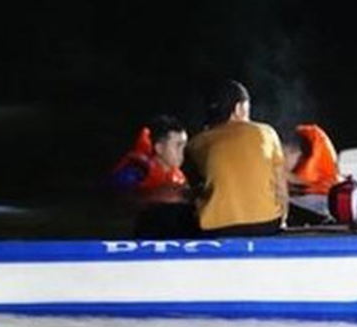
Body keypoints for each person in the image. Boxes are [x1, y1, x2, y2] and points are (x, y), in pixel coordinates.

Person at [184, 80, 287, 237]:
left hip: (215, 228)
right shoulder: (266, 132)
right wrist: (283, 220)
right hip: (266, 224)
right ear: (239, 108)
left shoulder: (195, 144)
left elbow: (193, 190)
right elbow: (281, 187)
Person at [110, 115, 194, 238]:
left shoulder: (178, 176)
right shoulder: (134, 174)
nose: (183, 152)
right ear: (159, 148)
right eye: (178, 146)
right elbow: (119, 205)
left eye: (184, 146)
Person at [283, 123, 341, 222]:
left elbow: (305, 181)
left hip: (319, 203)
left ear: (296, 153)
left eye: (283, 155)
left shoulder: (313, 165)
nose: (280, 161)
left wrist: (280, 173)